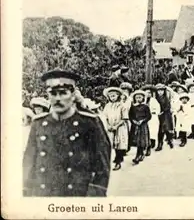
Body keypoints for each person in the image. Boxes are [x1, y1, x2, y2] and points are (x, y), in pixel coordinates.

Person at [23, 69, 111, 197]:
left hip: (77, 197)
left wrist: (93, 198)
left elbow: (102, 167)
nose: (58, 99)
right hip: (44, 195)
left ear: (73, 95)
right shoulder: (39, 124)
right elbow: (29, 163)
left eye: (63, 93)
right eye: (53, 93)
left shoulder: (89, 123)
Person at [102, 87, 128, 171]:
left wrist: (116, 126)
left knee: (119, 144)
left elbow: (124, 118)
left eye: (114, 96)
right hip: (110, 126)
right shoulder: (107, 106)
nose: (112, 98)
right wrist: (108, 125)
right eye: (110, 96)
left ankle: (118, 161)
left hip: (120, 127)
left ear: (118, 96)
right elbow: (105, 116)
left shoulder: (122, 105)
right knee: (110, 143)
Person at [128, 90, 151, 165]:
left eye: (140, 97)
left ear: (143, 98)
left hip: (143, 125)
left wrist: (143, 121)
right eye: (137, 97)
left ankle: (141, 153)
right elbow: (130, 116)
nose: (138, 99)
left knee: (142, 140)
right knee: (137, 140)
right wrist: (133, 121)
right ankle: (138, 154)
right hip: (135, 125)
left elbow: (149, 116)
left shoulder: (146, 107)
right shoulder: (133, 107)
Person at [142, 85, 161, 156]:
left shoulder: (154, 100)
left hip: (152, 116)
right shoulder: (143, 100)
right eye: (146, 93)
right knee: (145, 131)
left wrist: (154, 112)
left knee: (152, 130)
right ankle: (146, 144)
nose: (148, 94)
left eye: (149, 93)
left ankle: (151, 143)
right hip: (145, 117)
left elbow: (158, 109)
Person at [155, 83, 174, 150]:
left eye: (161, 91)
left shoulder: (166, 98)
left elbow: (168, 107)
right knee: (160, 130)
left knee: (165, 129)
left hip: (166, 115)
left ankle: (169, 140)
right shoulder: (156, 98)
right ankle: (160, 144)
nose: (160, 92)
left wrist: (162, 111)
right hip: (159, 116)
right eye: (158, 91)